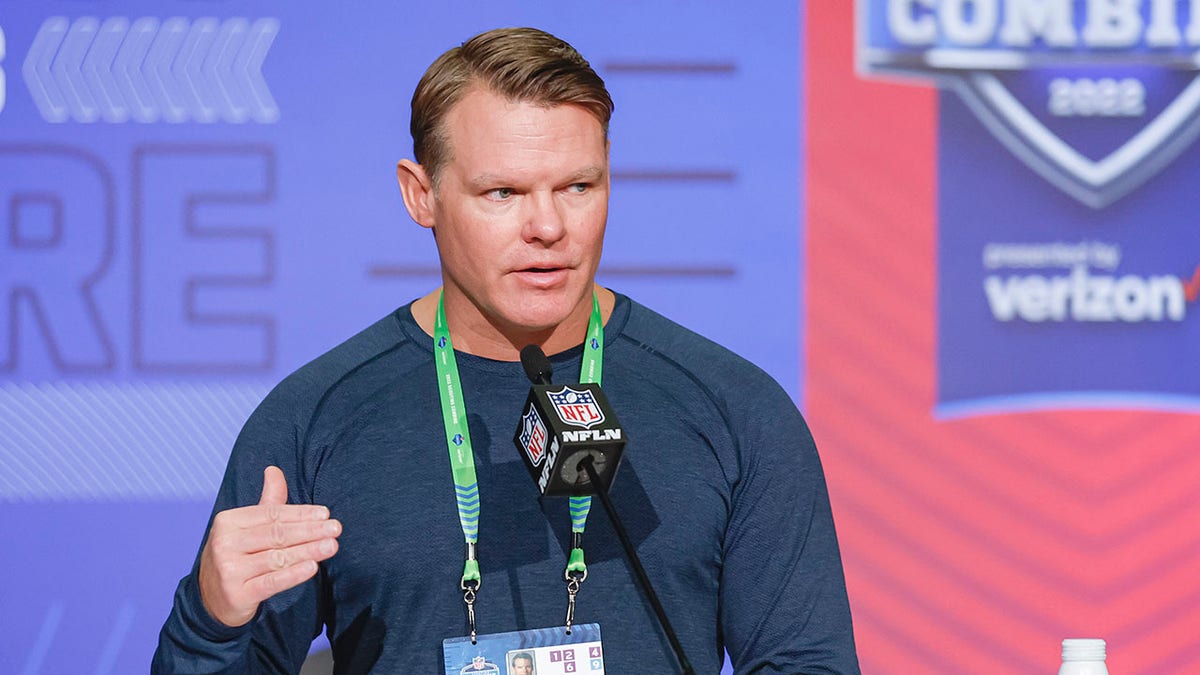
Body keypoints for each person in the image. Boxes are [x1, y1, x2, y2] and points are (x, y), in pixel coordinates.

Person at [153, 27, 859, 673]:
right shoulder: (315, 421)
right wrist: (211, 618)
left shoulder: (733, 409)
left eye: (578, 186)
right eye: (503, 192)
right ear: (420, 194)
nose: (548, 225)